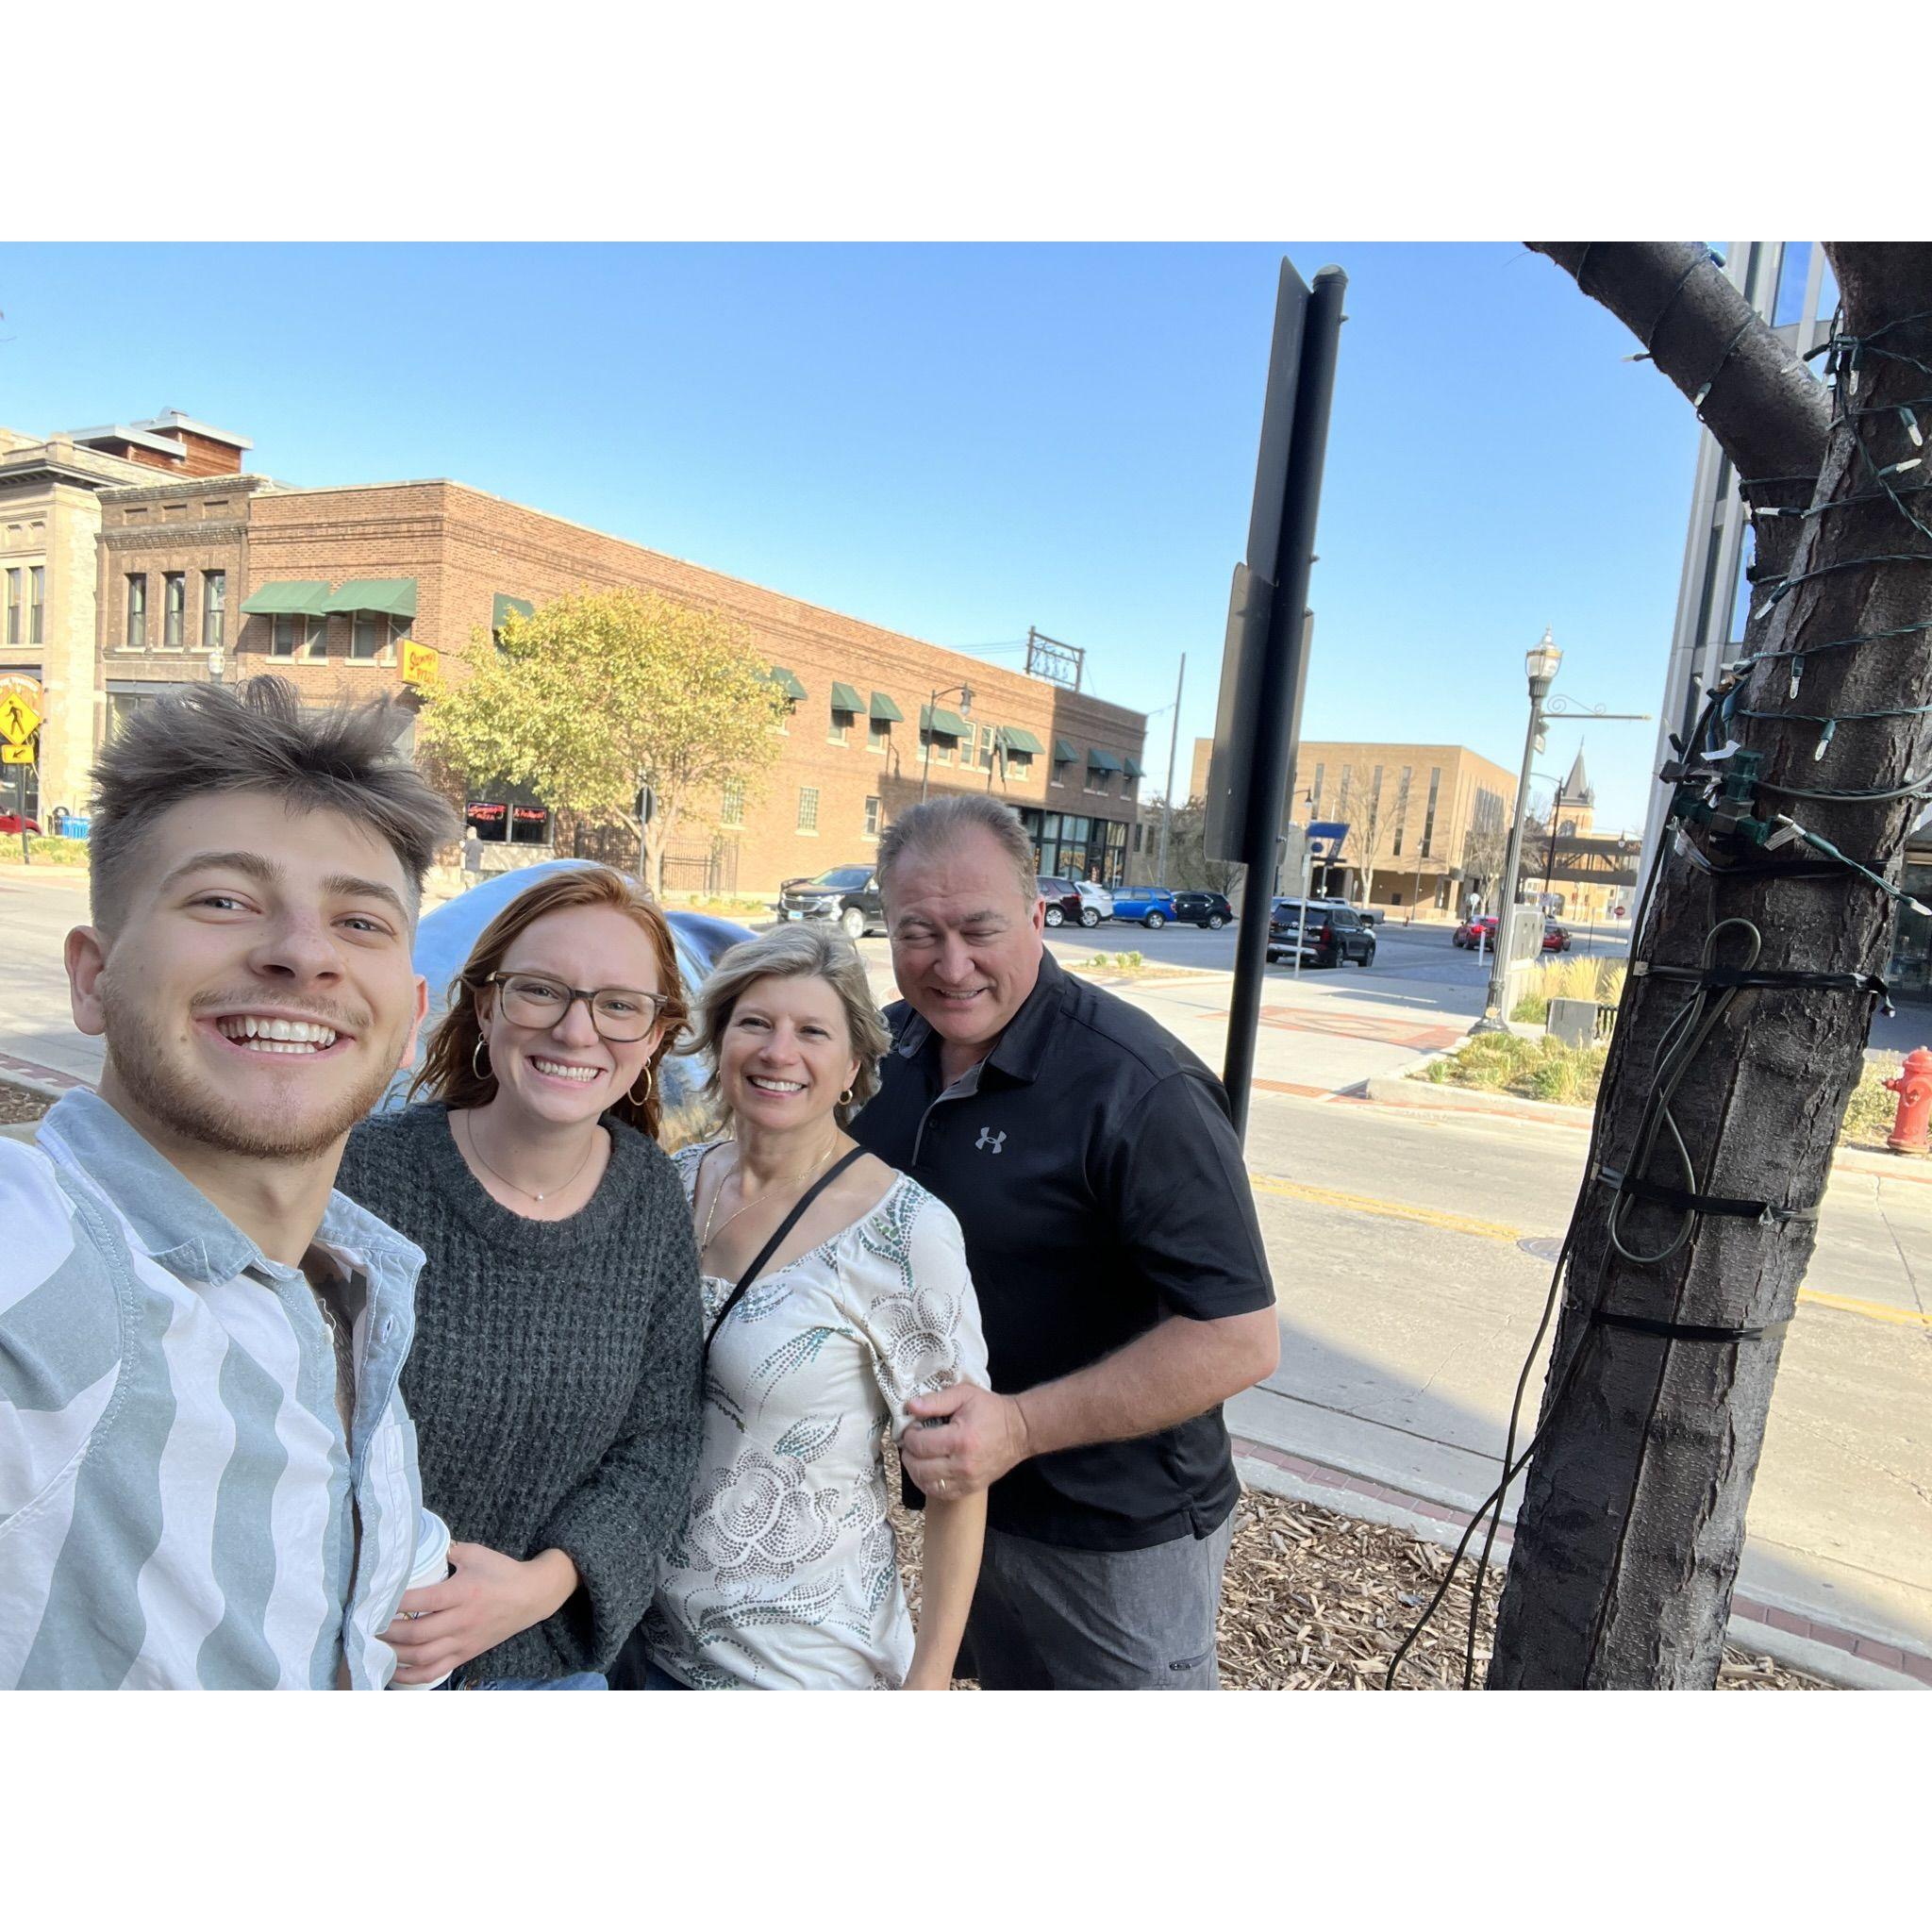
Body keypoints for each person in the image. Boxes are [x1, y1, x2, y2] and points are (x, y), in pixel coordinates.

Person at [0, 677, 457, 1689]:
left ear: (410, 1012)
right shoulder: (46, 1262)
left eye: (361, 923)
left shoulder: (351, 1282)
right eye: (223, 900)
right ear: (92, 976)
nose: (301, 953)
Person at [850, 794, 1279, 1690]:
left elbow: (1240, 1337)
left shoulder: (1138, 1088)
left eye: (981, 929)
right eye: (918, 933)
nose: (951, 964)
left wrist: (1018, 1426)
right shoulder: (882, 1058)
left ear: (1040, 916)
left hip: (1118, 1531)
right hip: (961, 1509)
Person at [336, 866, 704, 1690]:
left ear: (654, 1035)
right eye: (541, 990)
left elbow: (662, 1441)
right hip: (341, 1660)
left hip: (546, 1671)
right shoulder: (361, 1177)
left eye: (618, 1004)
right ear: (485, 1004)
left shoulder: (649, 1199)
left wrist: (544, 1586)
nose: (577, 1032)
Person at [631, 924, 987, 1690]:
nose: (778, 1052)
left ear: (853, 1063)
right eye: (755, 1023)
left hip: (800, 1664)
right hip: (633, 1636)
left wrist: (930, 1680)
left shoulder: (900, 1232)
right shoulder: (664, 1187)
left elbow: (962, 1469)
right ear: (720, 1041)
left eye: (812, 1032)